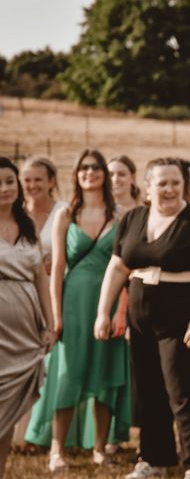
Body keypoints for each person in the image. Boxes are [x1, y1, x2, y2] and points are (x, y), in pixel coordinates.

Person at [94, 157, 190, 479]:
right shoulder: (132, 219)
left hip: (183, 320)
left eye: (175, 183)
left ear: (185, 185)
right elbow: (117, 267)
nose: (169, 189)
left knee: (184, 392)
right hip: (141, 320)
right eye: (162, 183)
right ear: (148, 187)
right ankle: (154, 459)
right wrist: (104, 311)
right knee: (148, 390)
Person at [25, 149, 132, 471]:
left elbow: (128, 268)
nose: (90, 173)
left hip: (110, 300)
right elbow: (56, 268)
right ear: (76, 174)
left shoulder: (122, 215)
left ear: (104, 173)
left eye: (95, 167)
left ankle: (100, 447)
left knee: (105, 371)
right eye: (84, 168)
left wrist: (120, 311)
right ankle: (57, 448)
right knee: (67, 373)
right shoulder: (65, 214)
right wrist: (55, 315)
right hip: (72, 303)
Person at [0, 157, 54, 477]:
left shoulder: (28, 224)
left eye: (9, 180)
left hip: (24, 330)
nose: (4, 188)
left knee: (7, 415)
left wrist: (48, 322)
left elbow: (42, 279)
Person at [21, 156, 68, 275]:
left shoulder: (65, 211)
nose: (32, 185)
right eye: (27, 180)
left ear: (51, 182)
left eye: (38, 180)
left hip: (57, 283)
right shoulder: (16, 214)